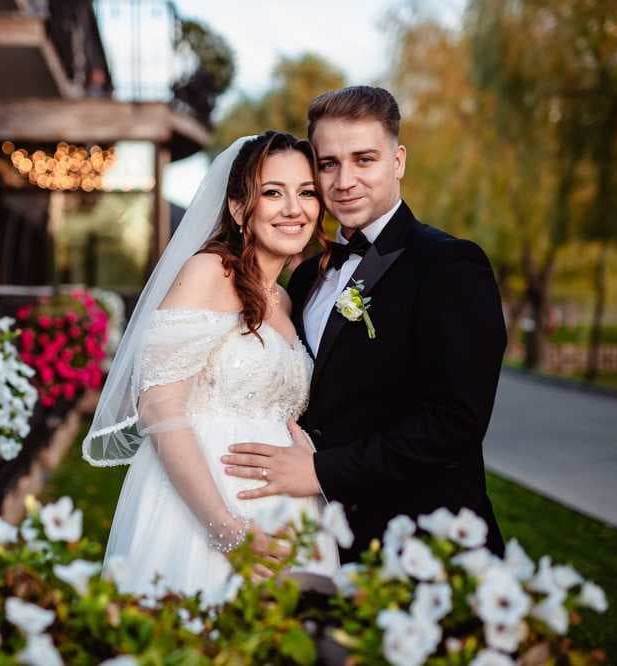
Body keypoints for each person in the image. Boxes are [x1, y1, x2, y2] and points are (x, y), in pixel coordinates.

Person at [222, 86, 507, 559]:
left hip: (423, 544)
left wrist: (321, 471)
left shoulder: (449, 265)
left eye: (364, 160)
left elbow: (455, 422)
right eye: (328, 163)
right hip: (319, 536)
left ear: (397, 162)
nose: (344, 180)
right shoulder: (307, 273)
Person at [83, 131, 340, 596]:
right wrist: (227, 531)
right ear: (240, 208)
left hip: (287, 512)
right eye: (272, 192)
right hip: (204, 512)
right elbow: (160, 407)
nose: (293, 208)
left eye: (306, 193)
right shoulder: (209, 272)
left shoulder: (282, 299)